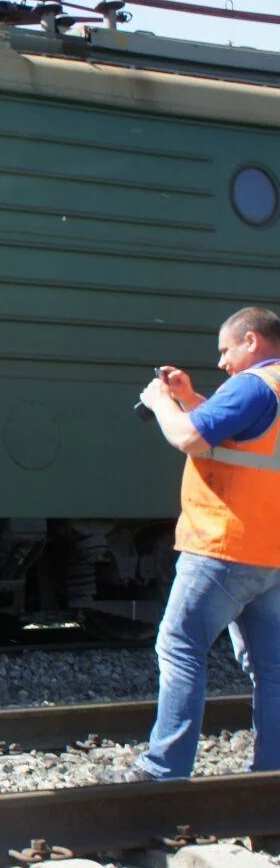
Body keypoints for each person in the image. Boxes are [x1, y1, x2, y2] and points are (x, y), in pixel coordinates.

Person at [130, 306, 280, 781]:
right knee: (272, 670)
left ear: (252, 340)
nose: (222, 363)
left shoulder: (254, 385)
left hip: (224, 546)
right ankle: (270, 778)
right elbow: (247, 441)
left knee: (180, 645)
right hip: (271, 553)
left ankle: (163, 773)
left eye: (226, 350)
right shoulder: (272, 389)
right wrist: (193, 397)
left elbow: (191, 438)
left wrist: (161, 403)